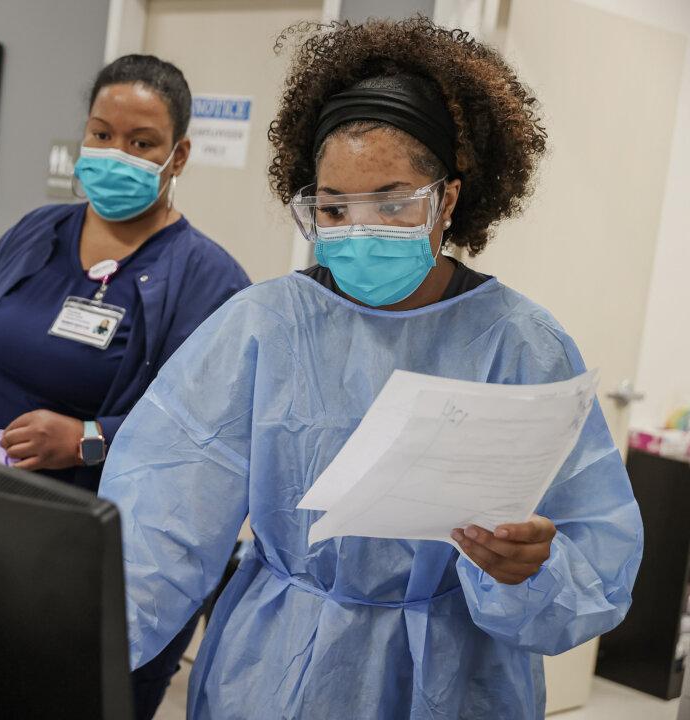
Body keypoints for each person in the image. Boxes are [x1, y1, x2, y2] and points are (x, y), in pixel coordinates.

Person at [98, 18, 643, 719]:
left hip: (457, 680)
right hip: (273, 674)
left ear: (446, 199)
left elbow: (594, 556)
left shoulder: (522, 346)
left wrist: (530, 570)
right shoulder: (263, 326)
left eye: (391, 203)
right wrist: (71, 647)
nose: (357, 229)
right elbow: (158, 525)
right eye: (333, 207)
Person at [0, 54, 250, 717]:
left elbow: (208, 441)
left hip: (102, 565)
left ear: (179, 155)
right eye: (102, 134)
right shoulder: (34, 233)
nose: (116, 154)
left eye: (141, 143)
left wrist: (88, 440)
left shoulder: (208, 280)